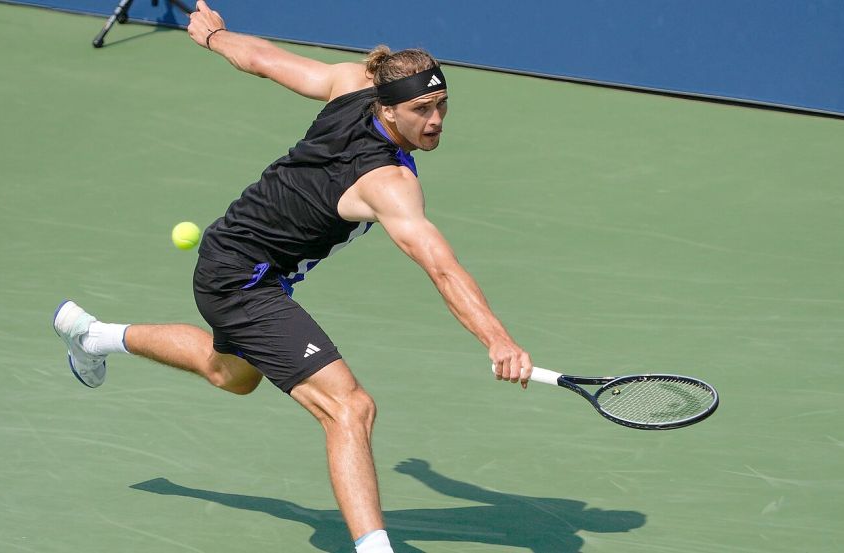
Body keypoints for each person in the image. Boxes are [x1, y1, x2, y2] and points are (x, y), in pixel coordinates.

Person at [53, 2, 533, 552]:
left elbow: (260, 59)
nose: (437, 121)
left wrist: (214, 37)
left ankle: (92, 336)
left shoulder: (352, 84)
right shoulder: (388, 183)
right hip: (243, 279)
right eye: (423, 109)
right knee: (350, 407)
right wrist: (496, 338)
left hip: (229, 257)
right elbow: (441, 267)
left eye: (443, 104)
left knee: (232, 373)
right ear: (389, 108)